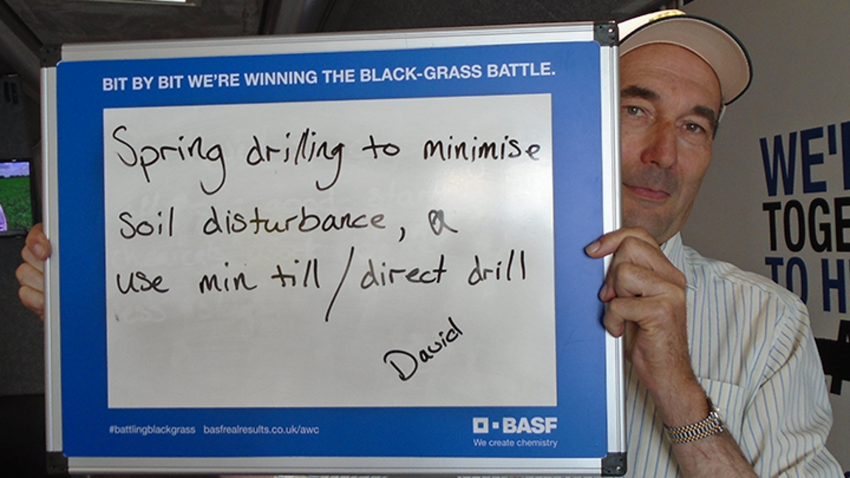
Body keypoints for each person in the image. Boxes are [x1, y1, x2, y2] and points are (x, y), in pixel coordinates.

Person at [16, 9, 843, 478]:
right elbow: (279, 411)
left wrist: (681, 394)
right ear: (583, 111)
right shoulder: (430, 274)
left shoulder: (765, 324)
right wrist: (106, 317)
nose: (663, 152)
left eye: (695, 126)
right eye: (636, 108)